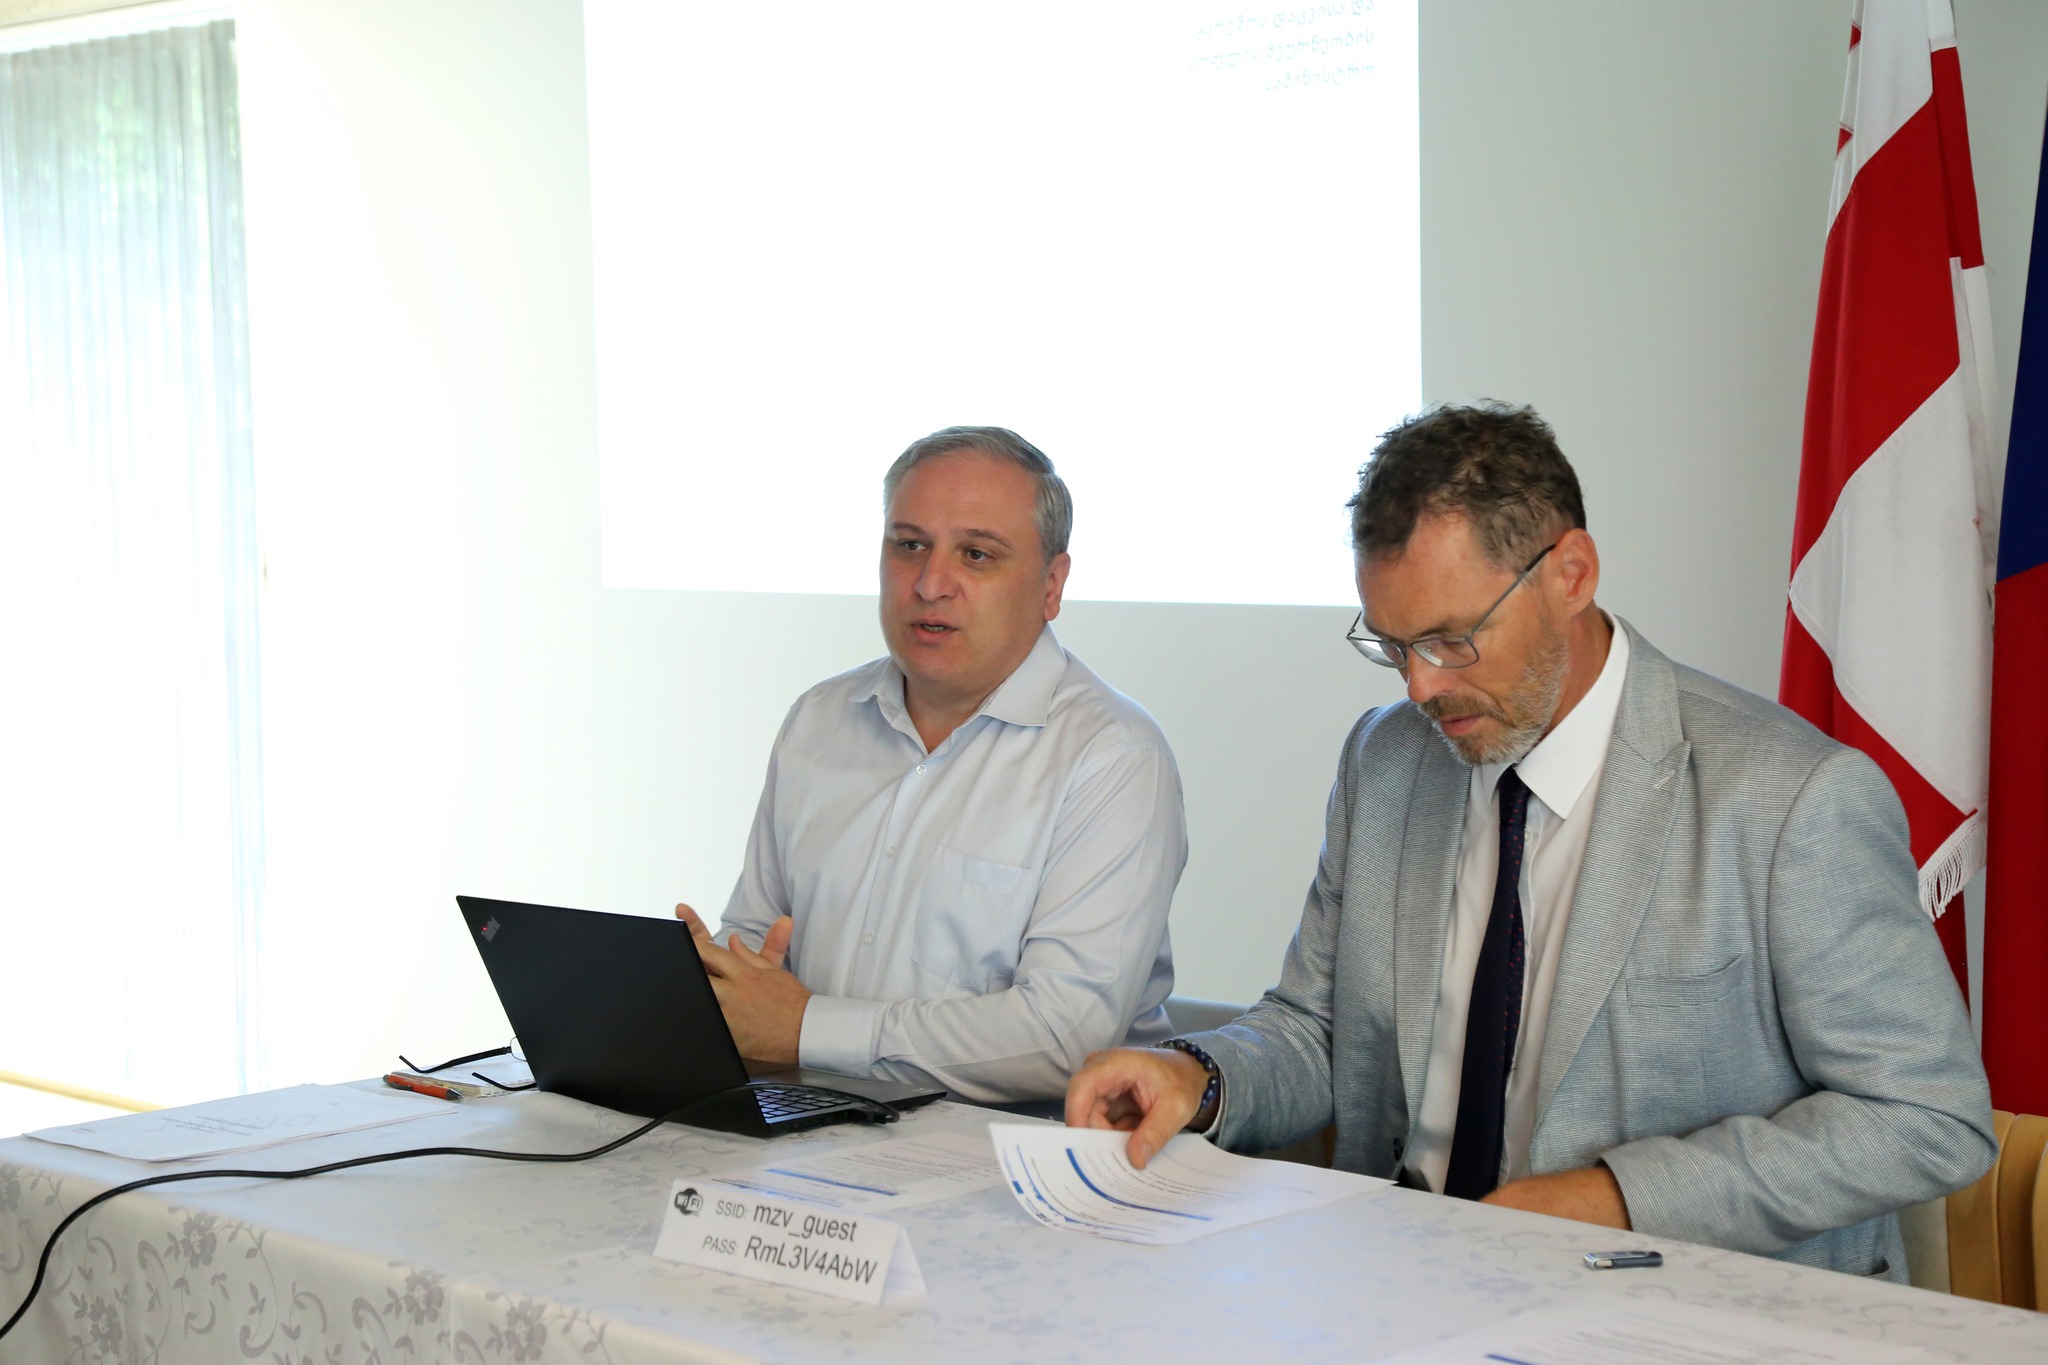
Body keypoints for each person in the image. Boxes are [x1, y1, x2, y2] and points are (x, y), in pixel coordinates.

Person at [1065, 403, 1994, 1278]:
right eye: (1392, 646)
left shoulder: (1791, 797)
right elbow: (1323, 1031)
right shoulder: (1387, 759)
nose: (1421, 688)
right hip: (1405, 1277)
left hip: (1673, 1302)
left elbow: (1925, 1114)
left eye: (1452, 639)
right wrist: (1198, 1075)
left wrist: (1617, 1198)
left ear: (1572, 575)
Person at [677, 425, 1185, 1104]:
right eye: (909, 545)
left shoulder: (1114, 755)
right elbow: (759, 940)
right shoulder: (820, 719)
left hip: (1018, 1153)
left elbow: (1062, 1038)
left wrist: (804, 1029)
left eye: (976, 554)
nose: (930, 583)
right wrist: (712, 983)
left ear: (1051, 584)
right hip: (813, 1131)